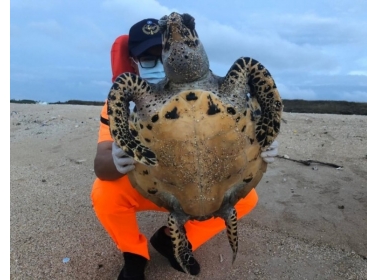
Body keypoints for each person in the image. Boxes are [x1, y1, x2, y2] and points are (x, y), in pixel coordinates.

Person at [91, 18, 279, 280]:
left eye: (162, 52)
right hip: (159, 184)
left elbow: (253, 116)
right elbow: (101, 166)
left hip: (210, 180)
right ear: (133, 62)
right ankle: (134, 255)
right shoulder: (127, 98)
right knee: (105, 194)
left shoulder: (231, 86)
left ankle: (171, 239)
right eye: (148, 58)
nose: (160, 63)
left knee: (247, 199)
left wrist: (264, 137)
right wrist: (116, 155)